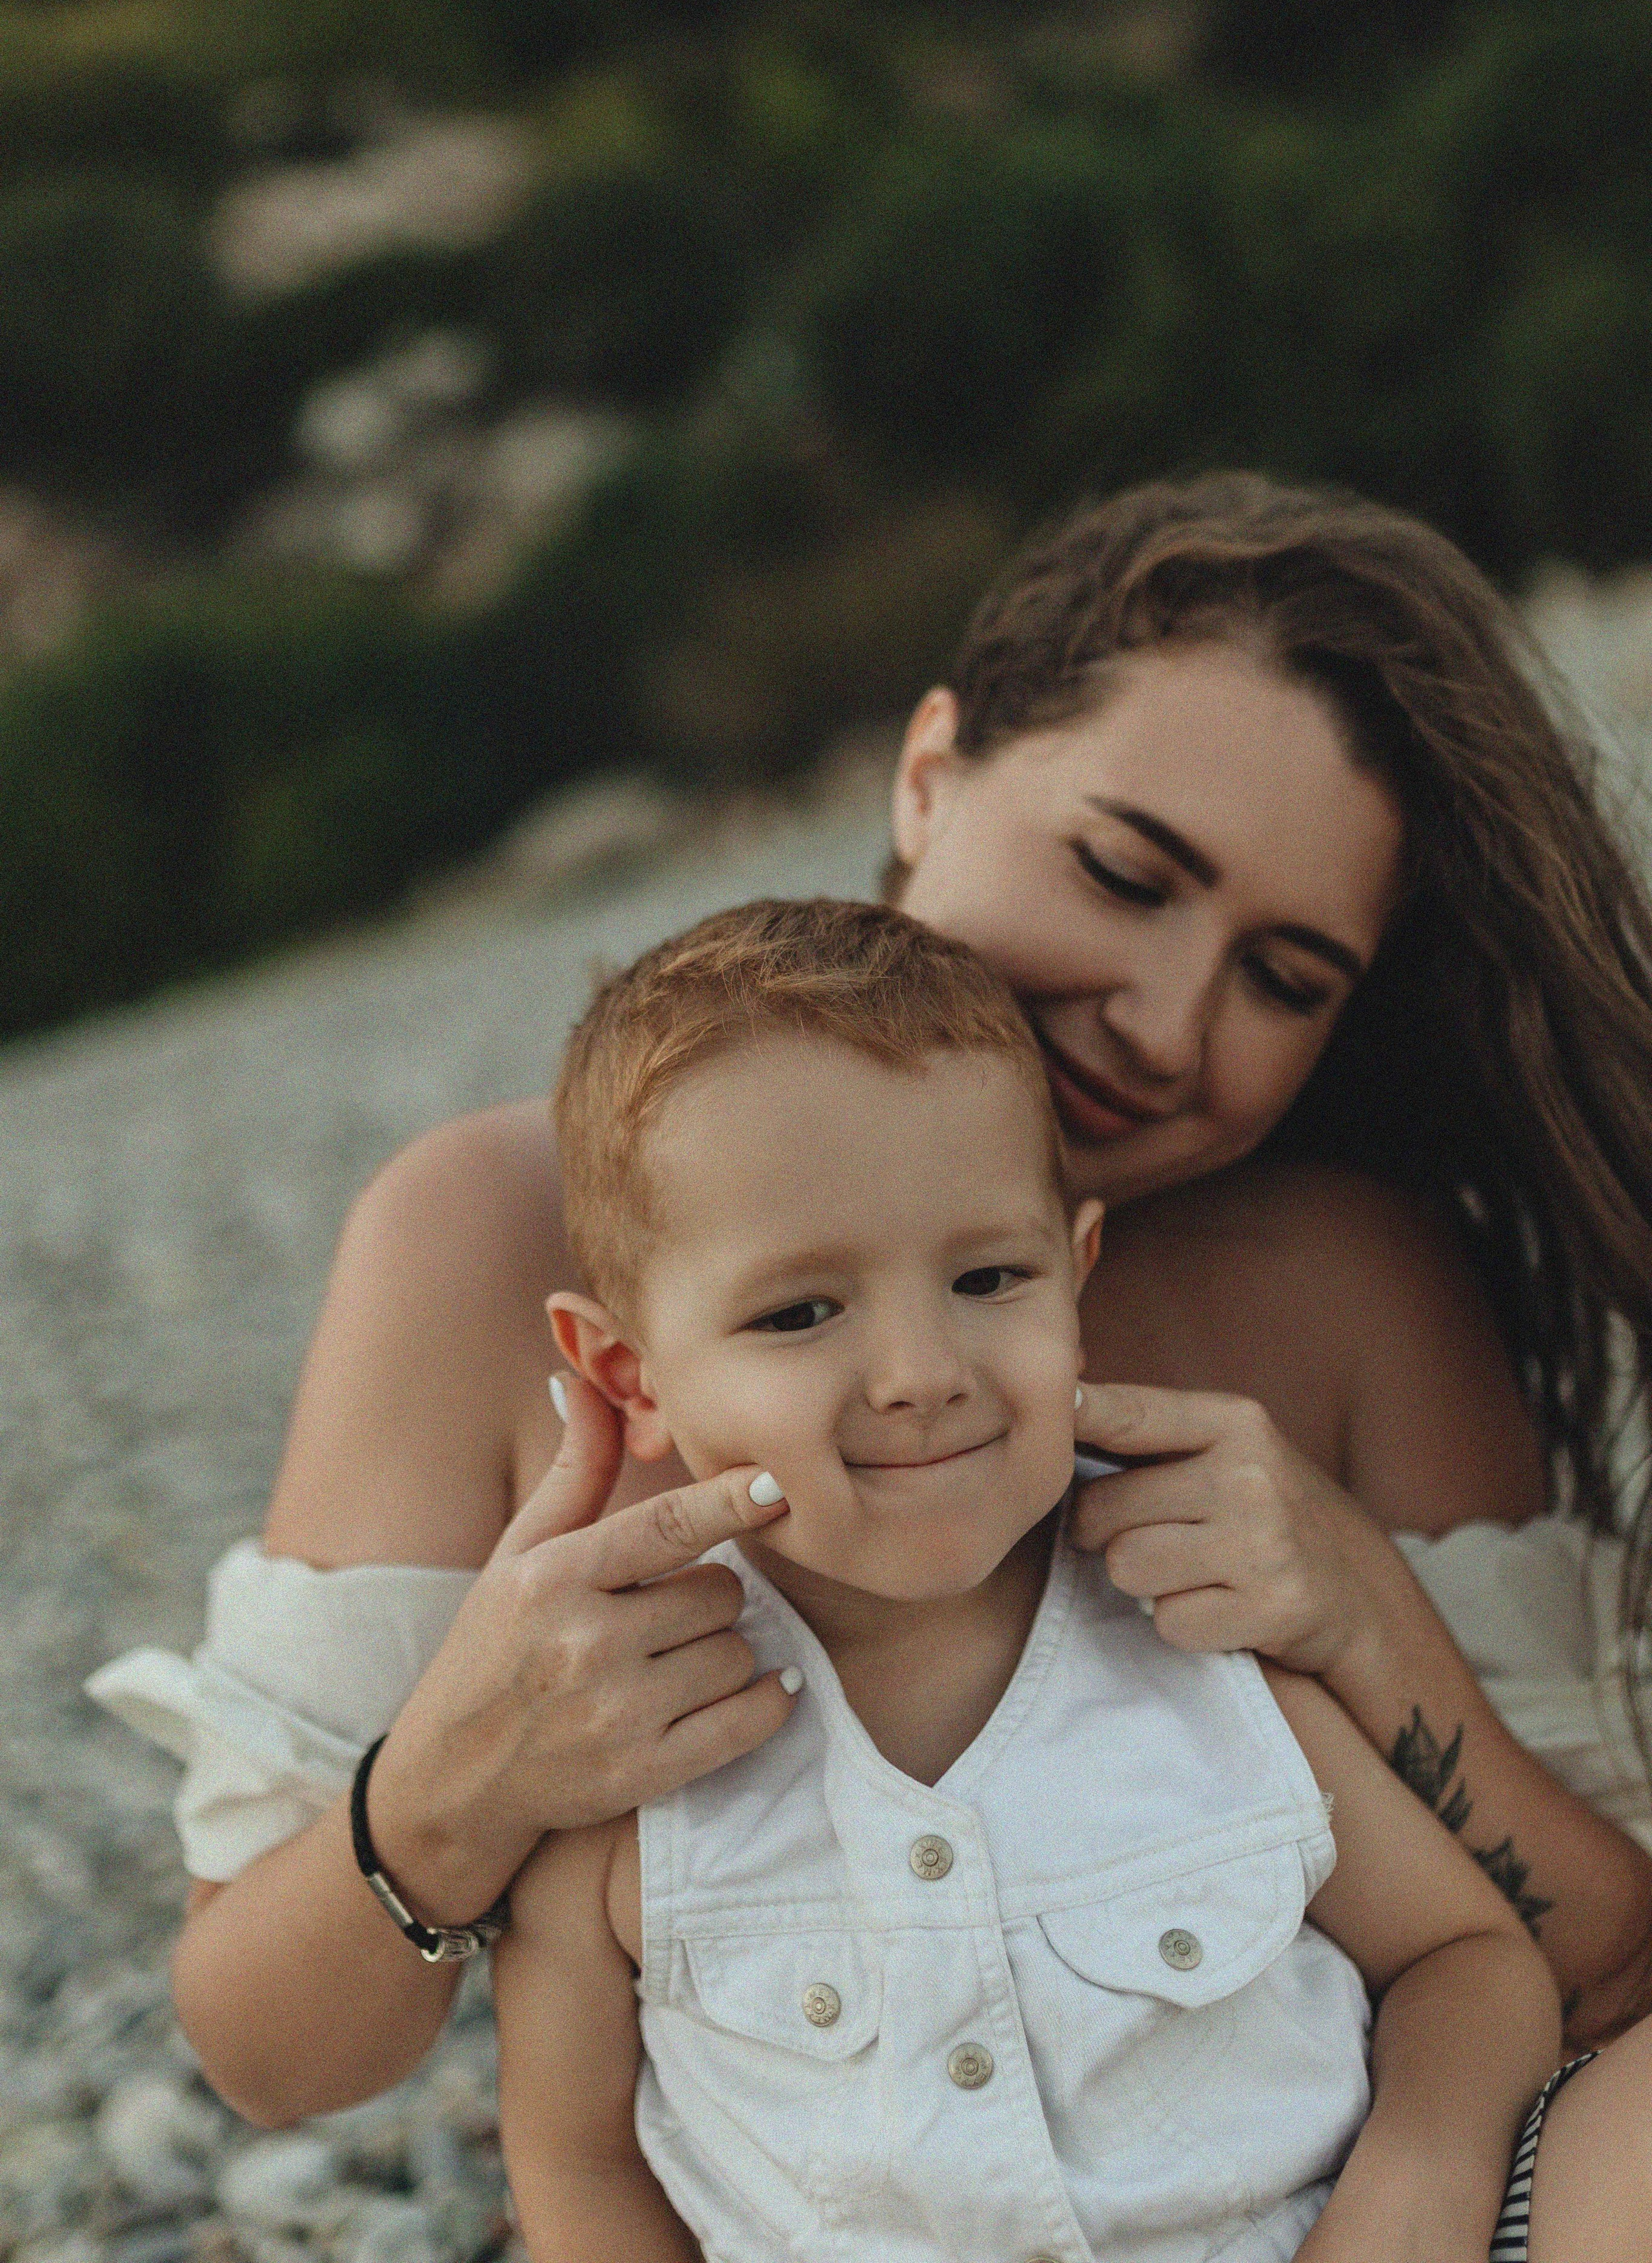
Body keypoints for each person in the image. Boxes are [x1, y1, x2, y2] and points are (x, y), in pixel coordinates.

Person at [89, 473, 1652, 2235]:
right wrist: (462, 1776)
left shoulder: (1347, 1281)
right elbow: (274, 2065)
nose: (1164, 1020)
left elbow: (1597, 1980)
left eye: (1283, 978)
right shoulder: (489, 1229)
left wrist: (1370, 1621)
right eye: (1126, 874)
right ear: (930, 773)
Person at [493, 893, 1559, 2263]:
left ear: (1076, 1275)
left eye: (988, 1277)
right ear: (630, 1379)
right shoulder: (620, 1750)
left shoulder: (1188, 1629)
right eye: (799, 1312)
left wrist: (1411, 2191)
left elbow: (1465, 1962)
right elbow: (573, 2167)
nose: (921, 1374)